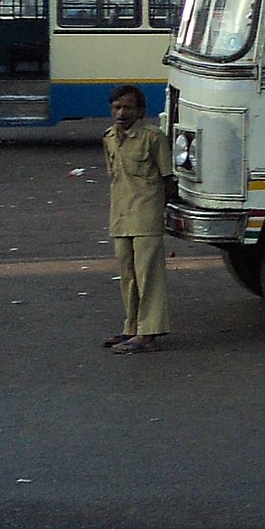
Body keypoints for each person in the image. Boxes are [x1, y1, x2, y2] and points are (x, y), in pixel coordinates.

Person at [101, 84, 173, 352]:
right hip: (120, 216)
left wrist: (161, 212)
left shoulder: (152, 138)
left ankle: (149, 332)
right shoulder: (108, 137)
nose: (121, 113)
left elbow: (168, 180)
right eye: (117, 107)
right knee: (128, 276)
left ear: (140, 111)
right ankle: (131, 327)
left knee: (148, 276)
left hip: (146, 216)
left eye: (127, 107)